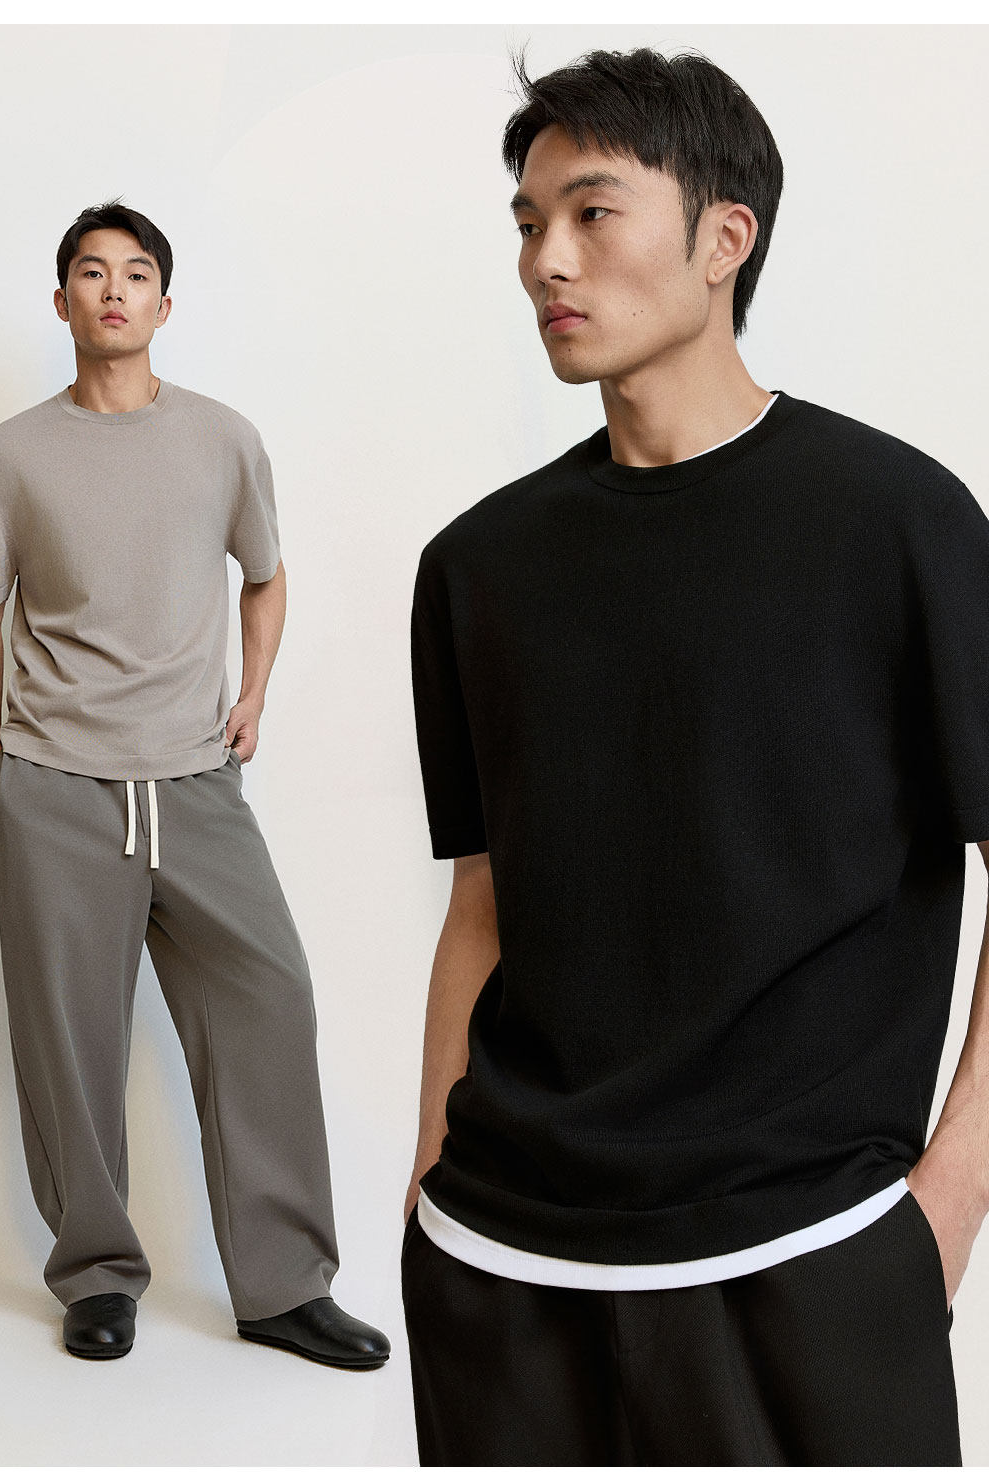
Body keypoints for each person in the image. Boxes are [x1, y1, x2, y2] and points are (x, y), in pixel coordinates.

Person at [402, 45, 987, 1465]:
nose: (547, 259)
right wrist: (426, 1188)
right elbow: (484, 901)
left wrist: (944, 1208)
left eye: (593, 212)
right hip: (500, 1260)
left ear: (727, 238)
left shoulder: (901, 524)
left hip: (813, 1256)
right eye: (529, 222)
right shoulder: (478, 566)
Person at [0, 199, 389, 1370]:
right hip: (57, 788)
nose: (114, 290)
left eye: (136, 273)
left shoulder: (223, 439)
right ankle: (97, 1276)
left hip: (196, 784)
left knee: (269, 998)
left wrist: (255, 694)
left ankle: (284, 1286)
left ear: (163, 301)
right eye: (92, 273)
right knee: (70, 1041)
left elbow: (267, 577)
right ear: (62, 302)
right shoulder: (11, 457)